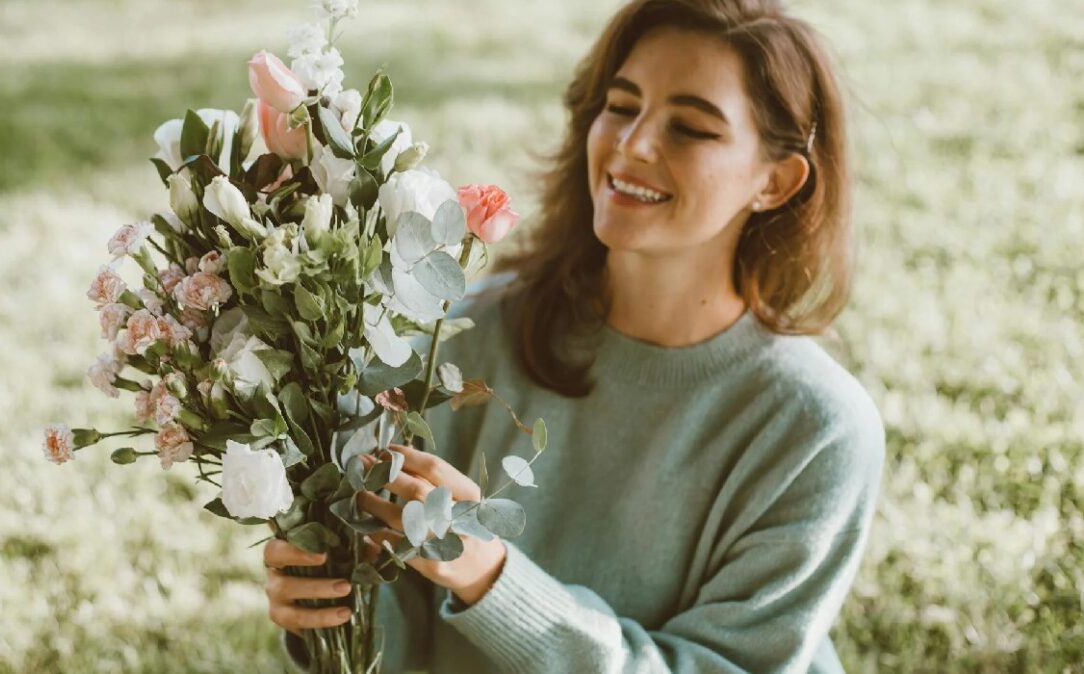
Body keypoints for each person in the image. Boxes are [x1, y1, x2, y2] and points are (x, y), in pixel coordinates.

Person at [263, 0, 885, 671]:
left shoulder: (817, 428)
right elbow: (387, 639)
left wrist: (492, 580)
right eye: (621, 106)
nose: (632, 144)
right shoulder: (453, 336)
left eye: (692, 128)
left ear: (777, 180)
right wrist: (324, 598)